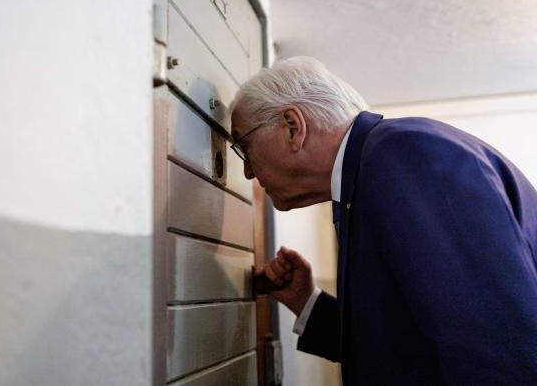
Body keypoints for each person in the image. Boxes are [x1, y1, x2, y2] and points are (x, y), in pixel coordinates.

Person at [229, 56, 537, 384]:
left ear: (293, 127)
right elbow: (405, 350)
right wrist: (306, 301)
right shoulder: (372, 172)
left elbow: (494, 349)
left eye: (245, 147)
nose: (247, 170)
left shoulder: (404, 154)